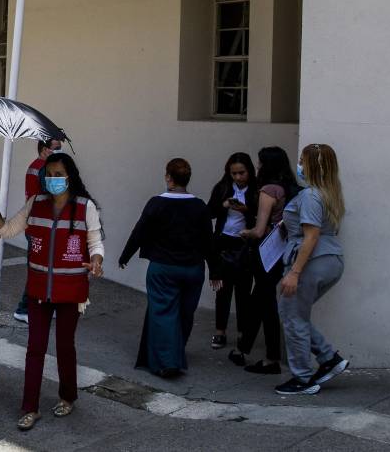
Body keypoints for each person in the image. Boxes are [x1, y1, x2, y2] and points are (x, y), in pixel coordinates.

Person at [0, 152, 104, 431]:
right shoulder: (36, 203)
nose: (53, 179)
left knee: (65, 346)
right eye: (49, 175)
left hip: (71, 289)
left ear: (70, 176)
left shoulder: (85, 206)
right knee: (35, 348)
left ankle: (67, 397)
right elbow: (6, 229)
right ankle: (30, 408)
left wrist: (96, 260)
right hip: (38, 289)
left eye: (59, 175)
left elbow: (95, 242)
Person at [119, 158, 217, 378]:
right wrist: (215, 270)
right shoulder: (199, 206)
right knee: (185, 312)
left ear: (168, 177)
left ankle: (167, 361)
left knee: (163, 312)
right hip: (193, 268)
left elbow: (139, 231)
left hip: (163, 267)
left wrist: (125, 256)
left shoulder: (157, 203)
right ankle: (176, 351)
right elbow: (208, 240)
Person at [275, 144, 348, 395]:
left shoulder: (310, 196)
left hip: (312, 263)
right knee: (295, 313)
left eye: (301, 160)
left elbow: (311, 236)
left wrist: (294, 273)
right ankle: (329, 358)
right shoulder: (330, 193)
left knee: (292, 316)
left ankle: (302, 378)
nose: (299, 165)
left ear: (312, 166)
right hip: (330, 260)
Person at [230, 147, 300, 375]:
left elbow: (259, 231)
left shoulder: (269, 190)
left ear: (267, 165)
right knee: (262, 301)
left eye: (260, 163)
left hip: (266, 254)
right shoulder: (291, 188)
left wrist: (245, 233)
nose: (258, 167)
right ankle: (245, 349)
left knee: (263, 304)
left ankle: (269, 358)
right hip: (284, 252)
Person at [207, 153, 258, 350]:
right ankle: (220, 331)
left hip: (245, 242)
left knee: (243, 291)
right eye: (234, 173)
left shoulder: (256, 190)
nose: (238, 177)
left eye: (241, 173)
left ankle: (242, 332)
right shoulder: (222, 188)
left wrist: (246, 210)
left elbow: (261, 217)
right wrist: (225, 205)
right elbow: (209, 212)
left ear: (249, 171)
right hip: (223, 241)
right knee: (222, 290)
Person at [13, 137, 63, 324]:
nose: (59, 151)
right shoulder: (43, 169)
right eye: (56, 148)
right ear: (44, 149)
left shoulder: (36, 166)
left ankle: (42, 305)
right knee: (38, 269)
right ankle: (24, 309)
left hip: (37, 223)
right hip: (39, 225)